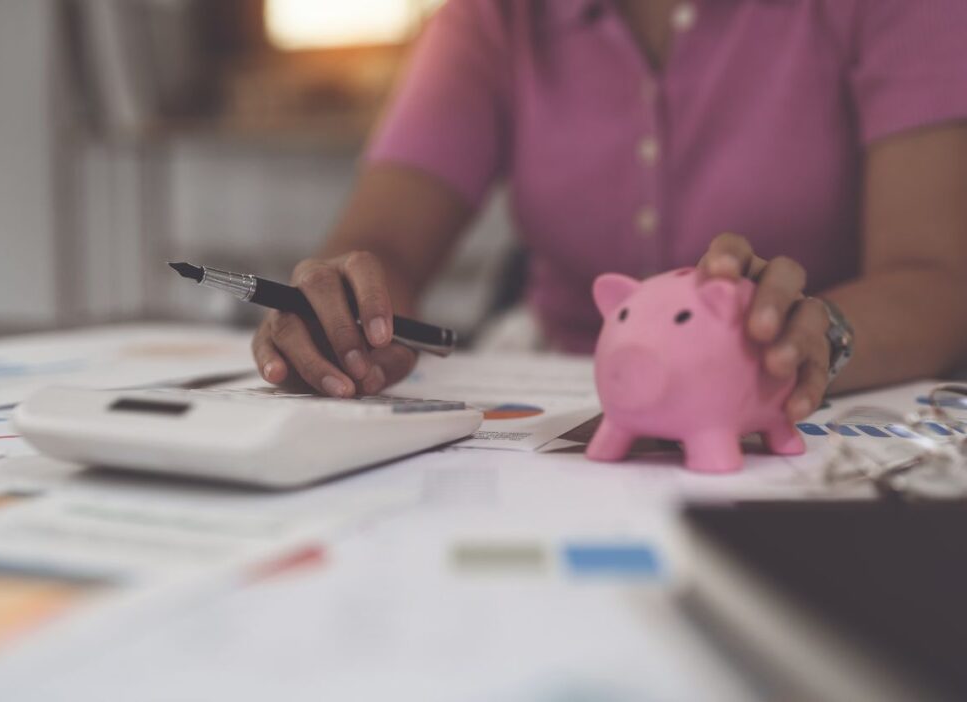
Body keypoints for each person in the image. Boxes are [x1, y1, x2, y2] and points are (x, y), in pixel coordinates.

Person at [251, 0, 967, 420]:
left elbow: (936, 280)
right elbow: (384, 245)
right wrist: (344, 313)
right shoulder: (493, 16)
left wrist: (815, 341)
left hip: (807, 405)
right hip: (567, 409)